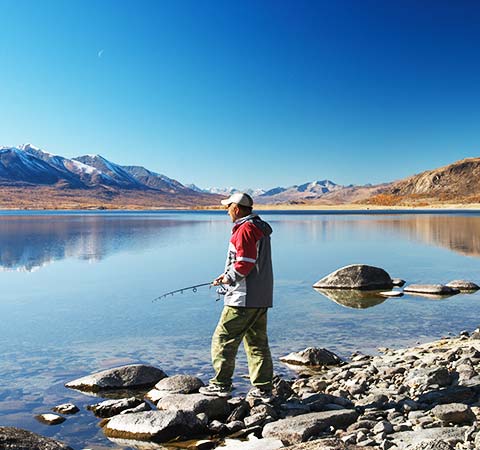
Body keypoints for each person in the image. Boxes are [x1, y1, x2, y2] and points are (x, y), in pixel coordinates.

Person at [199, 192, 274, 401]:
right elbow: (247, 261)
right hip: (261, 295)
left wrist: (228, 278)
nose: (226, 211)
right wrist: (226, 275)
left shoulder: (245, 229)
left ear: (237, 209)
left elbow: (245, 263)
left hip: (244, 297)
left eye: (228, 207)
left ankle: (221, 384)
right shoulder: (258, 227)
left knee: (223, 338)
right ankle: (263, 389)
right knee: (257, 342)